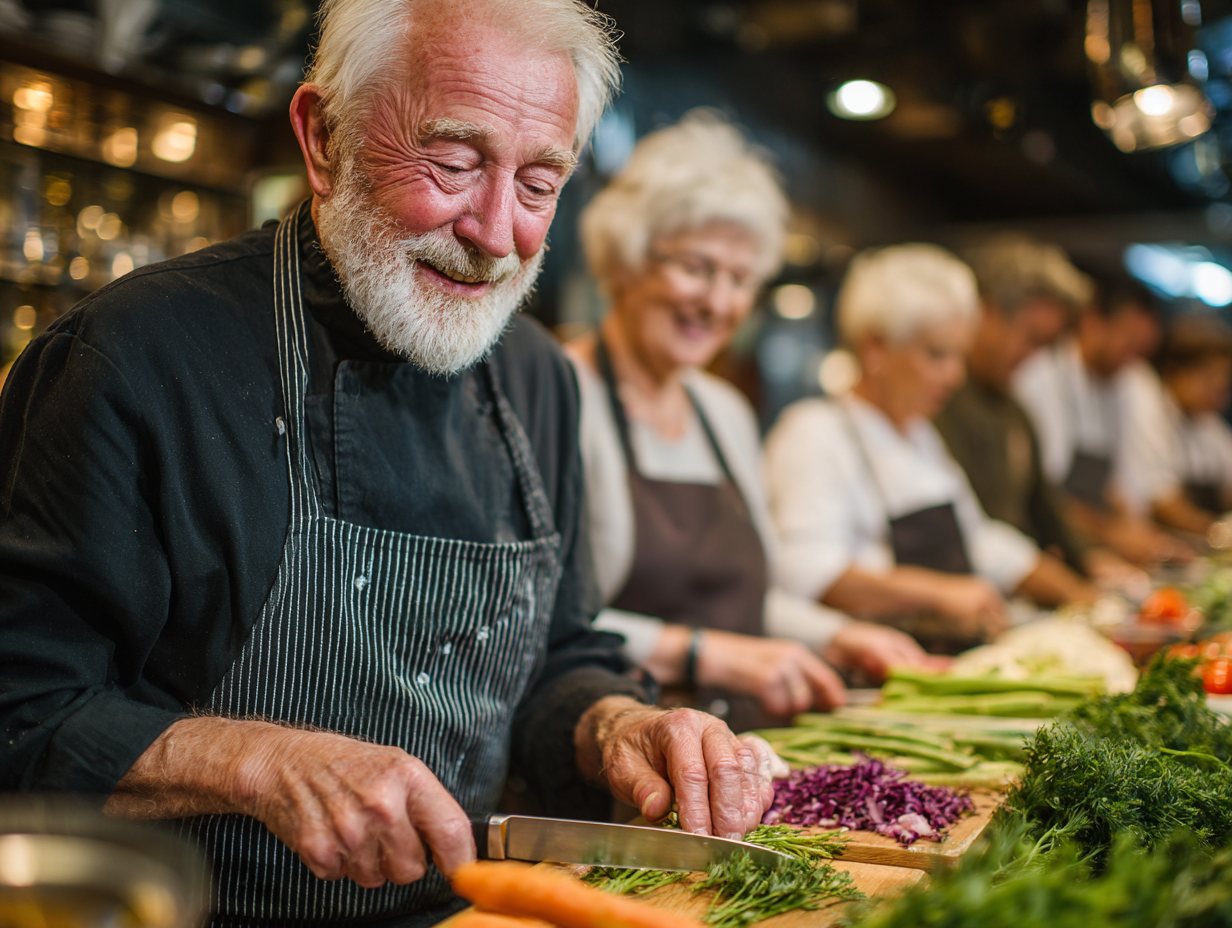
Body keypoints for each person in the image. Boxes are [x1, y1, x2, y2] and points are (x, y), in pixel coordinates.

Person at [0, 3, 776, 925]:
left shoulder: (535, 379)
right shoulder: (135, 357)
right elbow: (23, 712)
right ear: (324, 137)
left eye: (538, 184)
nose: (494, 233)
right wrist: (261, 762)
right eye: (452, 164)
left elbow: (560, 654)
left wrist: (619, 725)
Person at [565, 114, 936, 731]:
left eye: (739, 279)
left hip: (744, 741)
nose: (716, 302)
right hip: (622, 748)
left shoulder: (725, 413)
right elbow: (550, 620)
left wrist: (840, 635)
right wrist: (707, 655)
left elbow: (748, 602)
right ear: (626, 261)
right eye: (695, 266)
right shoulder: (564, 393)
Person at [765, 244, 1097, 651]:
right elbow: (804, 570)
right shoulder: (815, 432)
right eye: (937, 354)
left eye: (959, 355)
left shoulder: (920, 436)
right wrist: (938, 592)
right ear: (875, 348)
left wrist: (1078, 594)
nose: (954, 376)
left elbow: (977, 538)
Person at [934, 235, 1135, 585]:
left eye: (1044, 345)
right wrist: (1048, 578)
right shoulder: (936, 401)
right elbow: (964, 528)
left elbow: (1044, 504)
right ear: (987, 312)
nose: (1034, 357)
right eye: (1030, 338)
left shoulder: (1014, 410)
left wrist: (1090, 557)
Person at [1013, 281, 1191, 565]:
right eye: (1128, 342)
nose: (1131, 360)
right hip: (1046, 548)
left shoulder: (1123, 386)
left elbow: (1119, 487)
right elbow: (1044, 497)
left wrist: (1139, 533)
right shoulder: (1038, 377)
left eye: (1141, 351)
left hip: (1094, 548)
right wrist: (1110, 534)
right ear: (1092, 322)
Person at [1121, 314, 1232, 535]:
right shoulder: (1149, 410)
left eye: (1224, 379)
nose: (1218, 389)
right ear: (1174, 370)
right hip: (1158, 539)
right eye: (1208, 377)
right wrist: (1217, 532)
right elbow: (1160, 499)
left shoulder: (1210, 425)